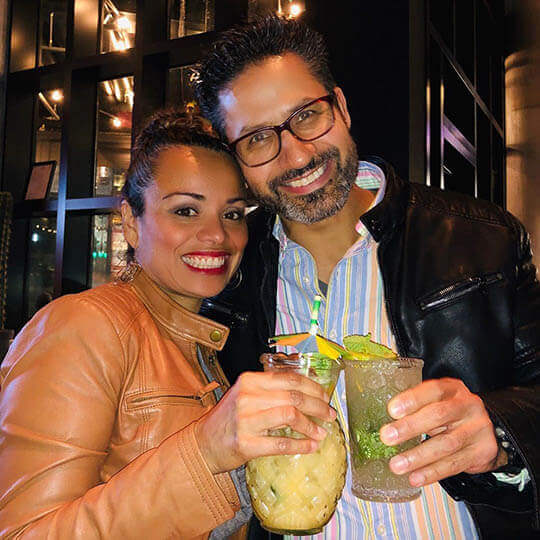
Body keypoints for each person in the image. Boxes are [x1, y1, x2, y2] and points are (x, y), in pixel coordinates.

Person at [195, 15, 540, 538]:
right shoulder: (227, 285)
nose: (296, 154)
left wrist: (501, 431)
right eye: (258, 138)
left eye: (307, 115)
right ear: (237, 159)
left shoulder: (484, 241)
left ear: (341, 106)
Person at [0, 111, 337, 539]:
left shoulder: (204, 348)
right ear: (130, 223)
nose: (216, 235)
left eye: (233, 214)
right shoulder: (84, 326)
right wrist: (204, 454)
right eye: (186, 210)